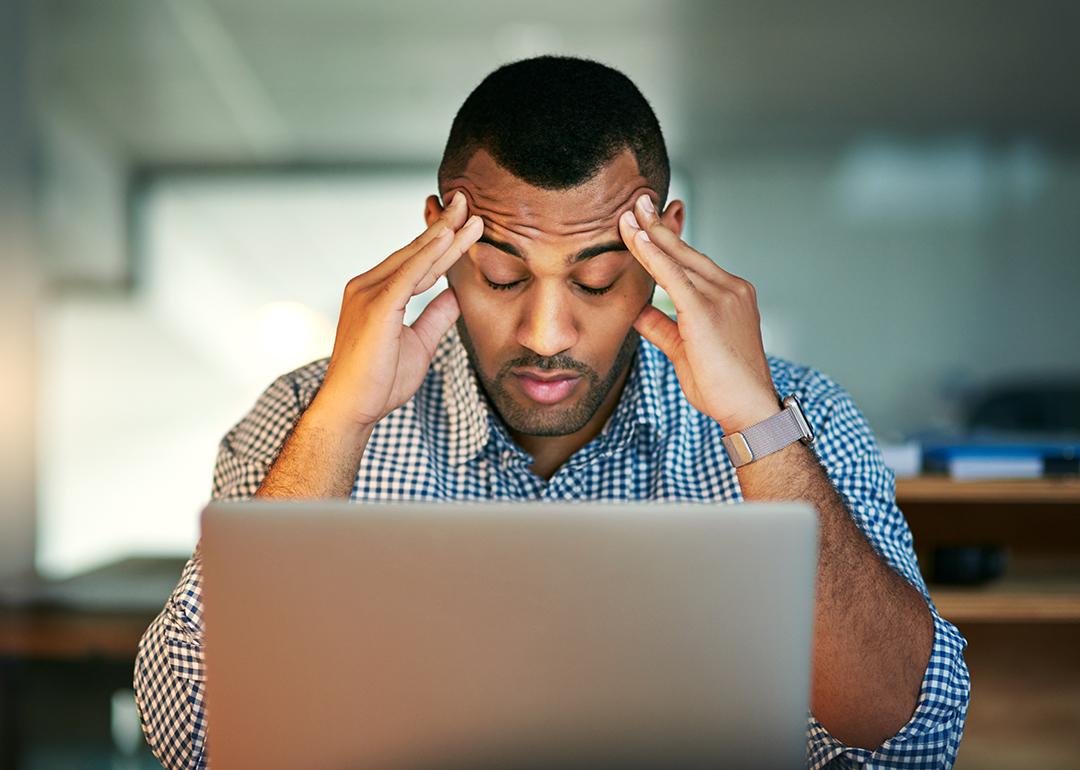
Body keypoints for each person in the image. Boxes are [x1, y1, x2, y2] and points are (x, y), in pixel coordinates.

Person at [134, 56, 969, 769]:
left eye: (598, 279)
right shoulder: (299, 415)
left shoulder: (801, 414)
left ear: (666, 243)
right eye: (501, 276)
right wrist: (338, 425)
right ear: (440, 239)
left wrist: (756, 421)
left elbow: (908, 742)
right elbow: (196, 740)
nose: (546, 333)